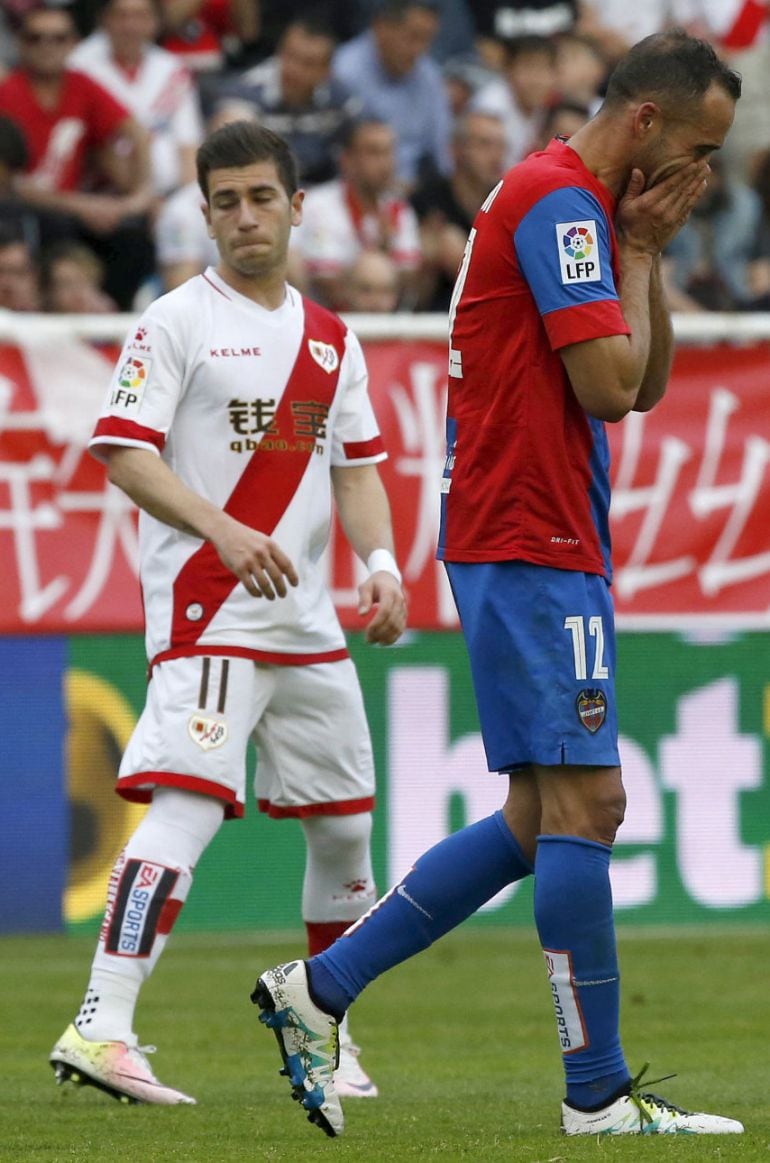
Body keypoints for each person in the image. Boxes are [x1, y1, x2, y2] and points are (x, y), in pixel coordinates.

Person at [253, 30, 746, 1139]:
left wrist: (649, 253)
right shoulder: (557, 204)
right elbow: (610, 384)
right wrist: (630, 247)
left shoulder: (585, 211)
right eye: (696, 149)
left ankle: (315, 991)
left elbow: (647, 381)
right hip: (528, 530)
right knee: (591, 804)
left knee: (537, 815)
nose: (698, 177)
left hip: (539, 526)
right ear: (645, 125)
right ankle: (596, 1092)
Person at [48, 119, 407, 1106]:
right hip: (212, 610)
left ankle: (324, 1028)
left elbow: (361, 470)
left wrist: (377, 561)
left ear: (298, 207)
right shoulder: (173, 321)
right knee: (187, 807)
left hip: (308, 622)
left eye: (260, 197)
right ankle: (101, 1024)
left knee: (343, 832)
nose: (244, 216)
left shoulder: (333, 341)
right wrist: (221, 530)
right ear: (202, 212)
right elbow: (123, 449)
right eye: (224, 201)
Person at [0, 1, 156, 308]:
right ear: (20, 43)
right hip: (25, 212)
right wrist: (84, 206)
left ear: (73, 43)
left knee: (134, 242)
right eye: (36, 38)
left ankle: (110, 324)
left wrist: (139, 197)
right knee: (51, 227)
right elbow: (10, 184)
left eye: (58, 38)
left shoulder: (82, 86)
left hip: (74, 212)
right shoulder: (7, 92)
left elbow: (136, 132)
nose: (47, 46)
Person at [68, 0, 204, 197]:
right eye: (121, 16)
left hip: (171, 192)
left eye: (141, 16)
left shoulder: (172, 68)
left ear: (156, 23)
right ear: (104, 20)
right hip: (103, 193)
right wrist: (146, 200)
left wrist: (186, 201)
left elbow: (188, 144)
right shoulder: (79, 65)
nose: (130, 26)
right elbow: (91, 148)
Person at [212, 15, 362, 187]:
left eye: (307, 63)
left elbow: (365, 138)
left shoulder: (338, 97)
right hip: (265, 193)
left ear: (326, 71)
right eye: (289, 56)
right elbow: (228, 159)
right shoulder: (246, 92)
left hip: (322, 194)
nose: (293, 69)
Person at [291, 117, 422, 311]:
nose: (385, 164)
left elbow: (411, 282)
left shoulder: (400, 209)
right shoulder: (318, 206)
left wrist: (383, 257)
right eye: (373, 152)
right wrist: (382, 261)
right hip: (324, 318)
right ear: (347, 160)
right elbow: (327, 283)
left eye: (388, 152)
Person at [332, 0, 452, 189]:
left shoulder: (429, 76)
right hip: (356, 191)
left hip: (415, 193)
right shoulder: (343, 73)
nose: (419, 50)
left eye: (427, 39)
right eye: (413, 37)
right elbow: (339, 156)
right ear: (381, 28)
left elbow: (442, 157)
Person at [411, 109, 506, 310]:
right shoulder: (425, 201)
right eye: (484, 144)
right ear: (455, 150)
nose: (496, 156)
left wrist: (462, 258)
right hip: (435, 317)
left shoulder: (508, 201)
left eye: (501, 146)